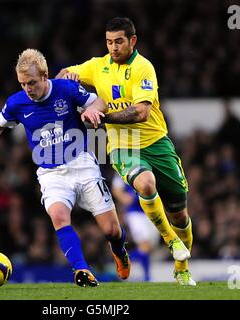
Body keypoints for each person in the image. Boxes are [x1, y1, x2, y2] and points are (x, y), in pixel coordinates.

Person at [0, 49, 130, 287]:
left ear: (45, 76)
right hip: (51, 173)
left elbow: (100, 101)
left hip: (83, 164)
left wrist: (93, 109)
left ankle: (118, 250)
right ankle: (81, 271)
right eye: (23, 84)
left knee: (111, 231)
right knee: (58, 216)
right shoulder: (17, 103)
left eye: (32, 82)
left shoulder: (66, 89)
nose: (27, 88)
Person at [56, 17, 195, 285]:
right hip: (123, 145)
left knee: (180, 213)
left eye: (119, 41)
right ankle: (170, 240)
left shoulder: (144, 68)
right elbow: (63, 74)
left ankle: (181, 265)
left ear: (132, 40)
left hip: (157, 142)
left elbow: (141, 113)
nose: (113, 47)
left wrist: (101, 116)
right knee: (145, 183)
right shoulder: (98, 66)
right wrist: (68, 77)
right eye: (109, 42)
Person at [111, 173, 159, 281]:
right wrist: (124, 197)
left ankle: (121, 259)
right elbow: (116, 187)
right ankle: (147, 277)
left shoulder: (150, 164)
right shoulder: (125, 166)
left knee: (149, 248)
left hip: (152, 211)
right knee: (145, 245)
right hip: (135, 212)